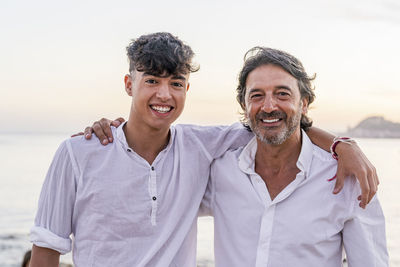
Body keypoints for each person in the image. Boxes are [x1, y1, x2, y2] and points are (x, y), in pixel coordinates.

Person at [30, 32, 377, 267]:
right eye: (151, 80)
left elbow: (275, 124)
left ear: (187, 89)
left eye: (176, 84)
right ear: (128, 84)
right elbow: (46, 247)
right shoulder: (78, 152)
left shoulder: (201, 149)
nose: (164, 95)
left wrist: (341, 143)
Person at [200, 47, 388, 266]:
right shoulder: (219, 172)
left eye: (282, 94)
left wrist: (342, 145)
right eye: (257, 95)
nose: (268, 106)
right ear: (244, 105)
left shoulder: (348, 178)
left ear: (304, 103)